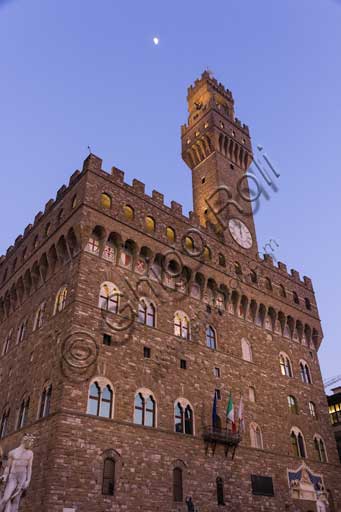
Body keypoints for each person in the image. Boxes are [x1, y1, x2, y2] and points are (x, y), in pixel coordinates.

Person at [0, 433, 35, 512]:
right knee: (6, 498)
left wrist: (28, 481)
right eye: (30, 442)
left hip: (22, 476)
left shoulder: (30, 453)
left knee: (16, 500)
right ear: (24, 441)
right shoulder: (13, 452)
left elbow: (29, 467)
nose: (31, 445)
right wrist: (5, 476)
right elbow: (8, 467)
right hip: (13, 476)